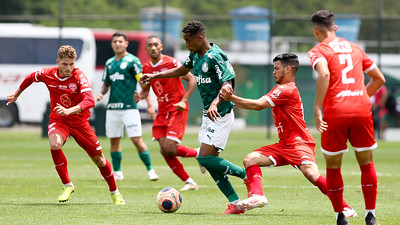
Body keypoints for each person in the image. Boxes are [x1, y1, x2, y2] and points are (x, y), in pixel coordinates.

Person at [220, 53, 356, 217]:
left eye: (277, 68)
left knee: (311, 174)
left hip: (299, 143)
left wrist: (231, 98)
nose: (273, 72)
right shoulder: (281, 88)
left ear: (288, 69)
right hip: (284, 144)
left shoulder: (286, 89)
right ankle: (257, 196)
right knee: (251, 159)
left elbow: (258, 105)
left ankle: (345, 208)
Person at [141, 21, 247, 214]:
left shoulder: (216, 56)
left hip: (221, 113)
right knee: (211, 163)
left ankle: (245, 174)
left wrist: (215, 103)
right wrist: (155, 76)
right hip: (209, 115)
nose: (186, 44)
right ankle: (235, 203)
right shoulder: (195, 55)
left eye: (189, 41)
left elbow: (227, 85)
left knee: (204, 159)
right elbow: (182, 71)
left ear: (200, 37)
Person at [6, 45, 125, 205]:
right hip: (59, 119)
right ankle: (67, 185)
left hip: (79, 122)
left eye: (71, 64)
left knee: (100, 160)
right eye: (65, 64)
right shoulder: (48, 74)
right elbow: (31, 77)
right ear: (58, 62)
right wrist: (17, 93)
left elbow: (89, 100)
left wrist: (69, 111)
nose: (68, 68)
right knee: (55, 144)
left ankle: (114, 192)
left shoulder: (79, 76)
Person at [309, 10, 385, 225]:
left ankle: (340, 217)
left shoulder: (318, 50)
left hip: (335, 112)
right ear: (335, 27)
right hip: (361, 110)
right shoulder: (355, 48)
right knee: (367, 164)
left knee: (333, 166)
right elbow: (379, 78)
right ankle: (371, 216)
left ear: (316, 32)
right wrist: (361, 97)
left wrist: (316, 108)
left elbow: (323, 73)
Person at [135, 35, 200, 191]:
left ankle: (198, 153)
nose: (153, 48)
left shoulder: (171, 62)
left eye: (156, 45)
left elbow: (192, 80)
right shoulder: (146, 68)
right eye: (150, 45)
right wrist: (140, 96)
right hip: (162, 110)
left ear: (161, 47)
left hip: (176, 108)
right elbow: (146, 90)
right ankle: (189, 182)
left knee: (170, 147)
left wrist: (183, 100)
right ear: (146, 48)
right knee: (164, 150)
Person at [96, 32, 159, 181]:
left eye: (120, 41)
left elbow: (143, 83)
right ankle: (118, 172)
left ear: (126, 44)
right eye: (115, 41)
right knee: (114, 140)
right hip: (112, 109)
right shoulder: (109, 63)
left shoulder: (133, 61)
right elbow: (106, 83)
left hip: (129, 108)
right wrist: (101, 93)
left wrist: (150, 104)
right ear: (112, 44)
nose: (117, 44)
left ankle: (150, 170)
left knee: (137, 140)